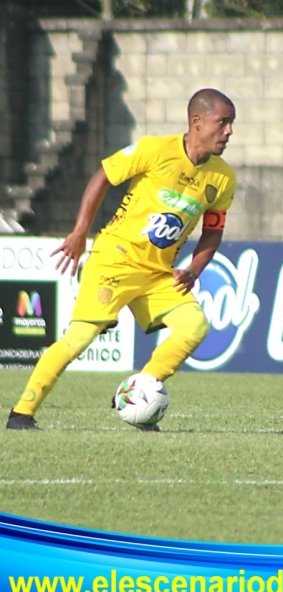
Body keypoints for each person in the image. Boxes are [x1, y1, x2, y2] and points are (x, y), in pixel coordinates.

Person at [7, 88, 237, 431]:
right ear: (197, 122)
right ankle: (21, 414)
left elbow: (213, 231)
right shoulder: (154, 149)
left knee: (195, 327)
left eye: (232, 124)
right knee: (80, 338)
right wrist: (80, 232)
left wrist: (194, 269)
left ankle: (139, 390)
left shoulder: (223, 177)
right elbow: (103, 175)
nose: (229, 132)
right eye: (223, 123)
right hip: (115, 259)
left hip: (160, 273)